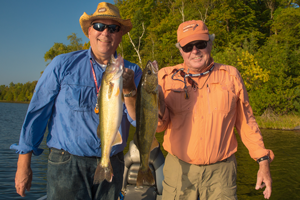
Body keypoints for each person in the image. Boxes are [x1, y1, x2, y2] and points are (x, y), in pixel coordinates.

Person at [10, 2, 142, 200]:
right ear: (89, 31)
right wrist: (23, 165)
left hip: (112, 162)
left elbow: (138, 121)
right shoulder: (62, 64)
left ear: (120, 33)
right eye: (99, 26)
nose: (105, 33)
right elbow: (37, 113)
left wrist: (130, 89)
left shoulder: (133, 71)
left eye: (113, 28)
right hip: (66, 163)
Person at [157, 20, 274, 200]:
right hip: (178, 170)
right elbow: (158, 126)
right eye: (187, 47)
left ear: (210, 43)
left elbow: (246, 122)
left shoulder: (231, 75)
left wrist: (263, 160)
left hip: (222, 174)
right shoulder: (164, 77)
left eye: (200, 44)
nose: (194, 51)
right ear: (180, 50)